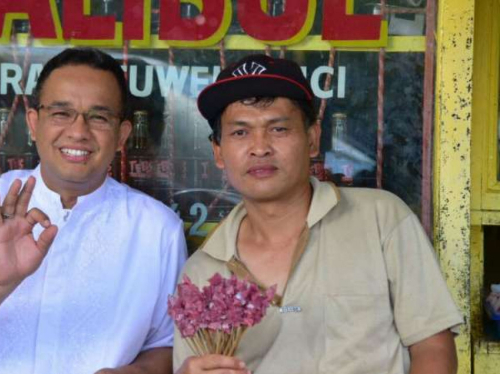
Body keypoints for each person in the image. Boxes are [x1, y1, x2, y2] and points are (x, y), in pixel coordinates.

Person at [173, 54, 463, 374]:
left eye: (279, 128)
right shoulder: (202, 271)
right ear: (218, 152)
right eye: (240, 132)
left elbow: (433, 348)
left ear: (312, 138)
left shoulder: (382, 219)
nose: (260, 147)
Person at [0, 48, 187, 374]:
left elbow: (168, 346)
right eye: (61, 113)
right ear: (34, 123)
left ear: (122, 135)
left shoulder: (156, 229)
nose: (78, 131)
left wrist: (136, 372)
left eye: (98, 117)